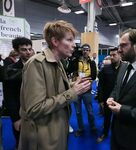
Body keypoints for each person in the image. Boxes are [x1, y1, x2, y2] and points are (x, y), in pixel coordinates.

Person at [19, 20, 91, 150]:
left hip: (56, 130)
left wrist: (71, 85)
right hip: (43, 137)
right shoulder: (36, 64)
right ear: (55, 41)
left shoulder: (58, 62)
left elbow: (52, 89)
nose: (74, 45)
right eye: (69, 40)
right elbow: (35, 108)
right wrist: (73, 92)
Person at [3, 37, 34, 149]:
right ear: (17, 51)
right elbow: (9, 97)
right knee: (21, 143)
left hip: (38, 113)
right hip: (20, 113)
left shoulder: (40, 67)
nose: (28, 52)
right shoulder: (10, 70)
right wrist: (15, 119)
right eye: (24, 49)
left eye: (30, 49)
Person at [96, 47, 122, 143]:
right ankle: (105, 133)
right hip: (107, 99)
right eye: (110, 55)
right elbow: (100, 85)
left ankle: (118, 136)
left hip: (120, 100)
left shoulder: (125, 68)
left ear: (119, 55)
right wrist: (101, 100)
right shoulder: (105, 69)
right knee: (107, 118)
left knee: (119, 119)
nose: (112, 57)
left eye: (114, 55)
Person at [74, 43, 97, 137]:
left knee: (90, 110)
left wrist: (84, 79)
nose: (85, 51)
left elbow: (94, 76)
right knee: (78, 111)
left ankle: (92, 127)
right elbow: (71, 71)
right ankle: (80, 128)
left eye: (87, 50)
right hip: (77, 88)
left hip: (87, 89)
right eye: (83, 49)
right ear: (81, 50)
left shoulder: (92, 62)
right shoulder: (76, 61)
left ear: (89, 51)